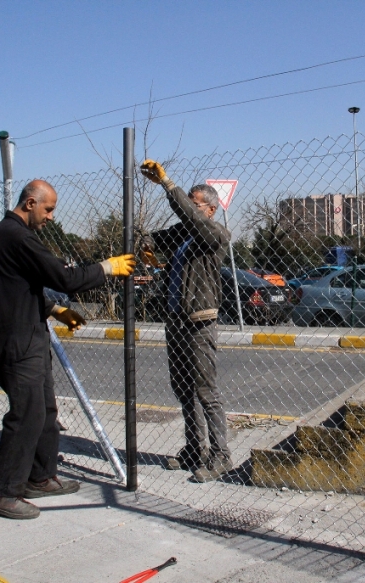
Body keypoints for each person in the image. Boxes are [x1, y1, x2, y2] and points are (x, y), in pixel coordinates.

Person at [0, 179, 135, 519]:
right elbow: (63, 278)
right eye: (48, 209)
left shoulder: (6, 234)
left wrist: (54, 310)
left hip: (26, 333)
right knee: (27, 414)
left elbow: (20, 286)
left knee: (45, 411)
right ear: (30, 202)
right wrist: (107, 268)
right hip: (16, 340)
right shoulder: (17, 236)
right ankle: (3, 493)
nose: (51, 216)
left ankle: (39, 476)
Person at [140, 159, 232, 483]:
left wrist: (167, 184)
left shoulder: (215, 234)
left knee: (206, 390)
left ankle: (222, 456)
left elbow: (188, 218)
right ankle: (194, 449)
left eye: (194, 206)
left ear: (209, 210)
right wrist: (146, 244)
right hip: (176, 320)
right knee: (183, 389)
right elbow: (158, 237)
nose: (189, 211)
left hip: (199, 321)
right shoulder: (186, 234)